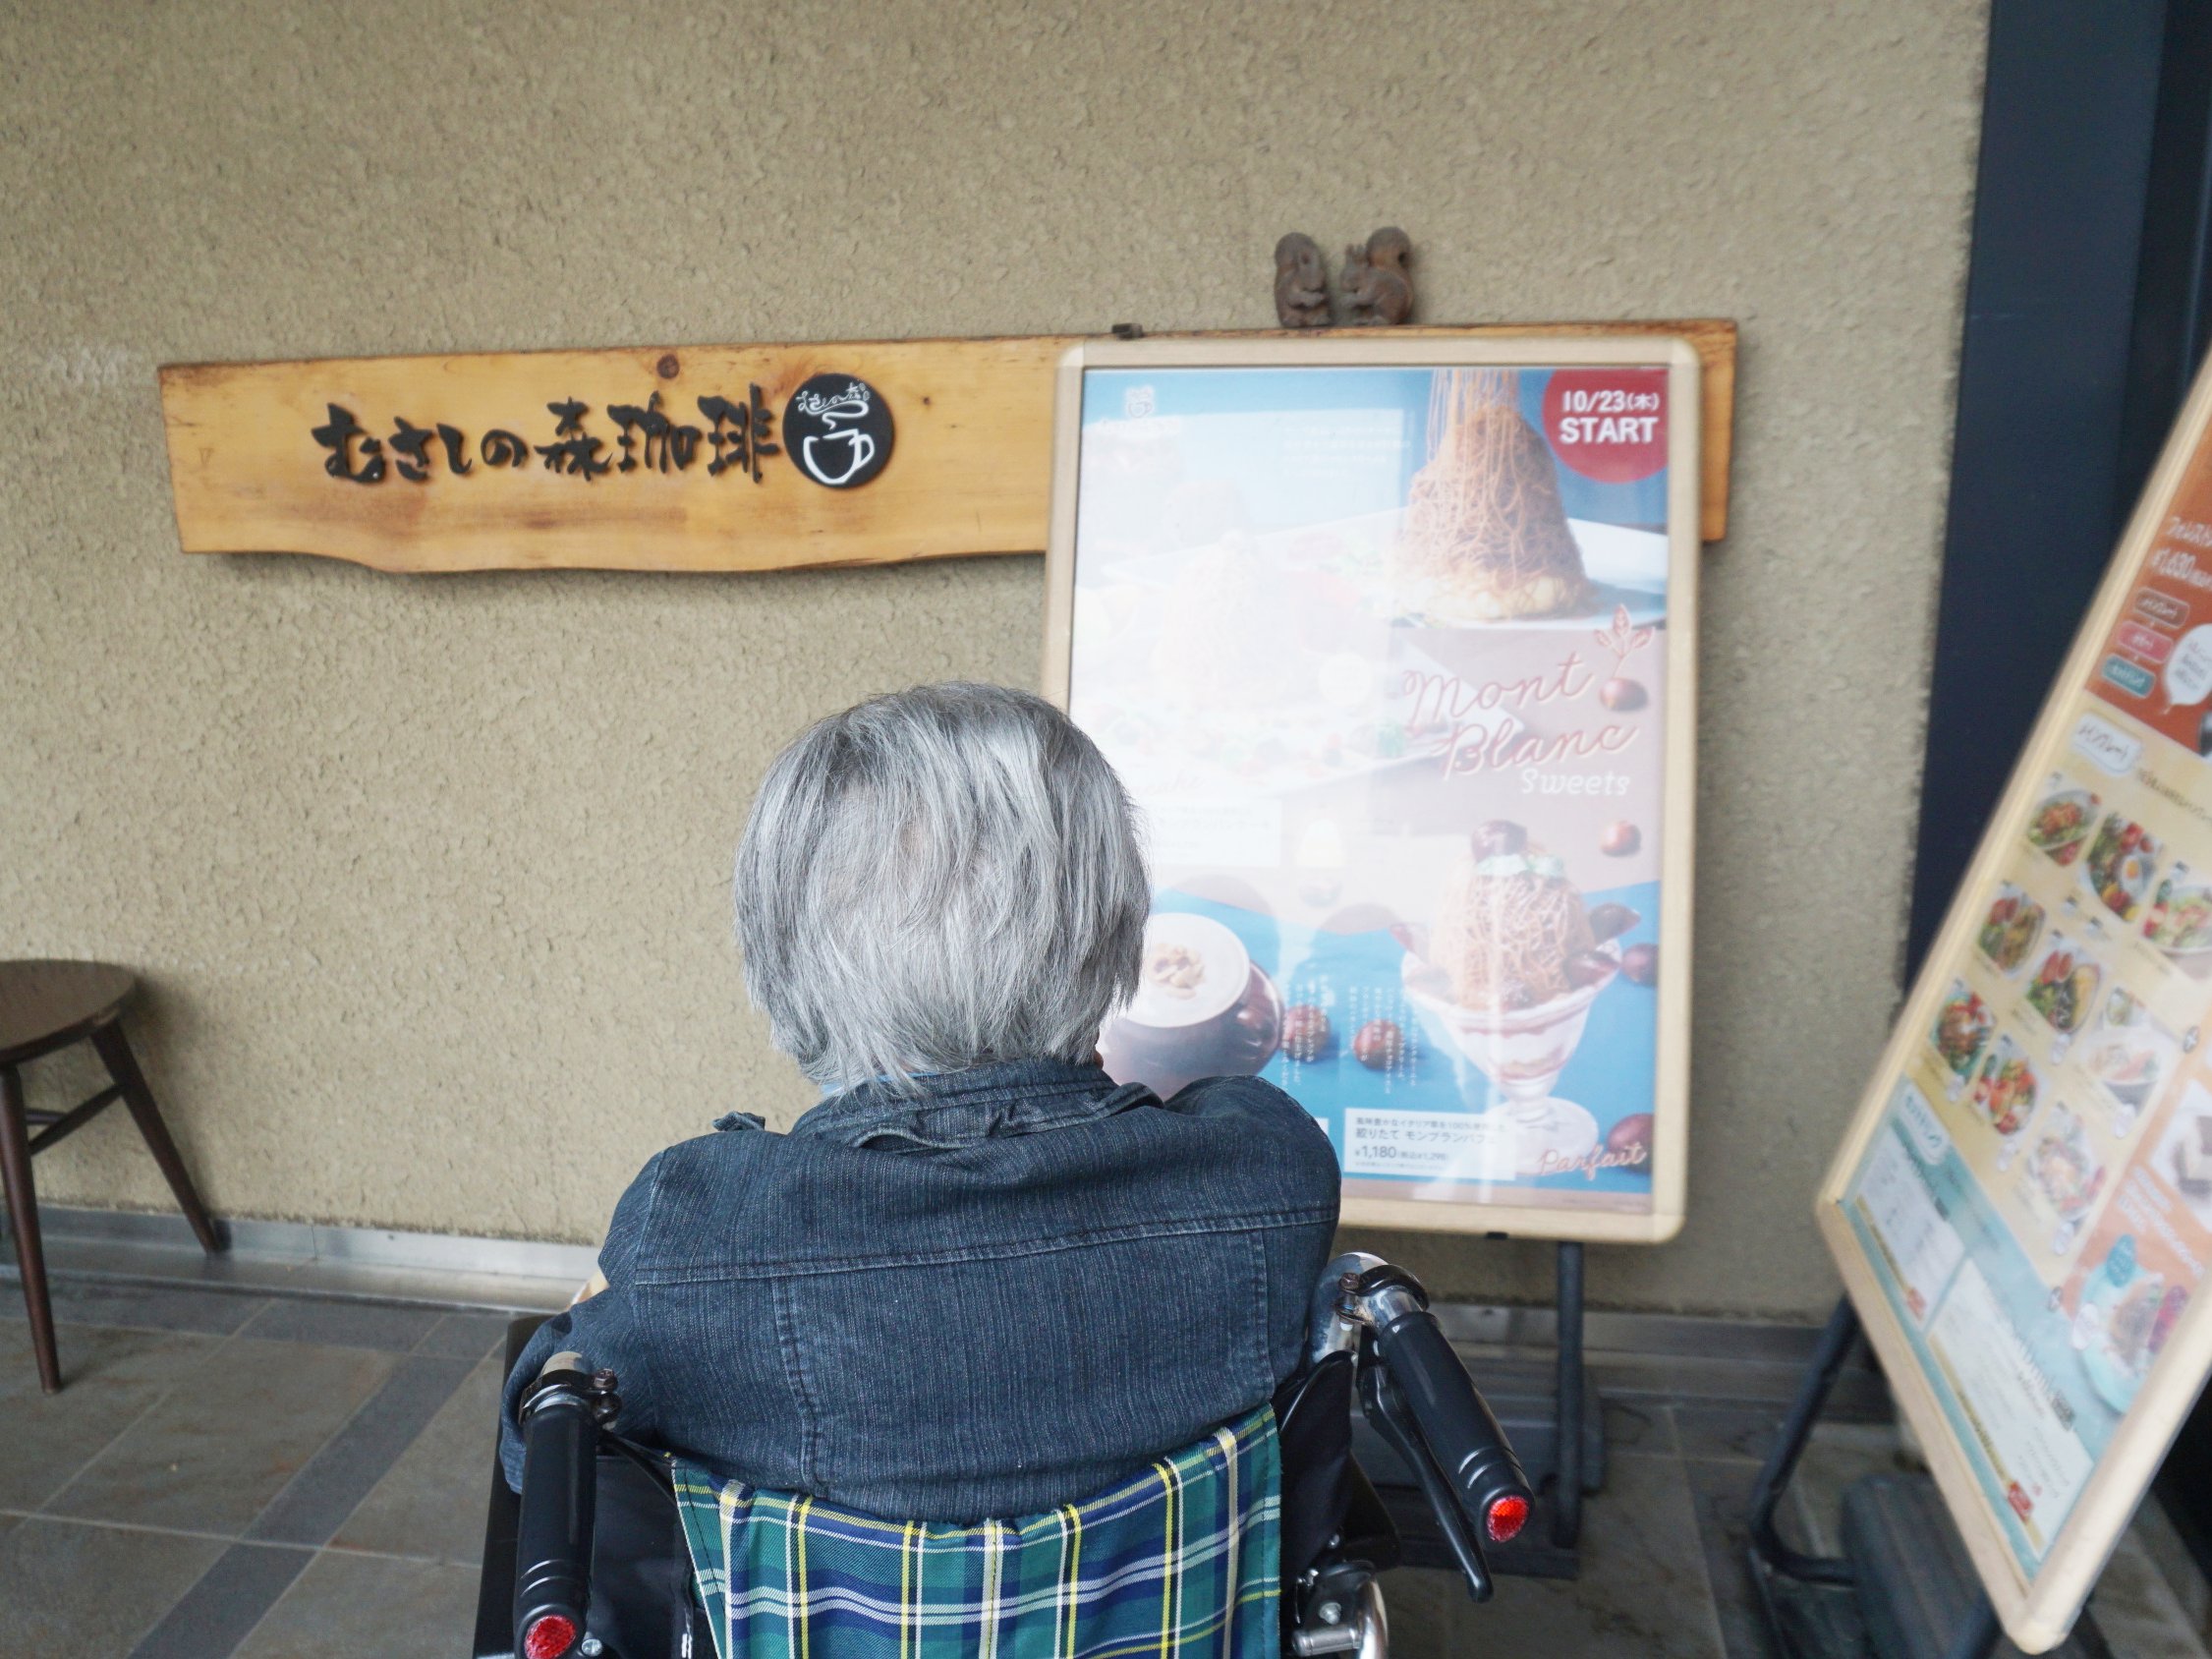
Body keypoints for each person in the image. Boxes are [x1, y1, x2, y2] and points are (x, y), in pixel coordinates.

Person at [499, 682, 1341, 1523]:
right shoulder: (1264, 1172)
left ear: (785, 950)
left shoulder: (697, 1227)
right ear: (1111, 921)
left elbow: (538, 1455)